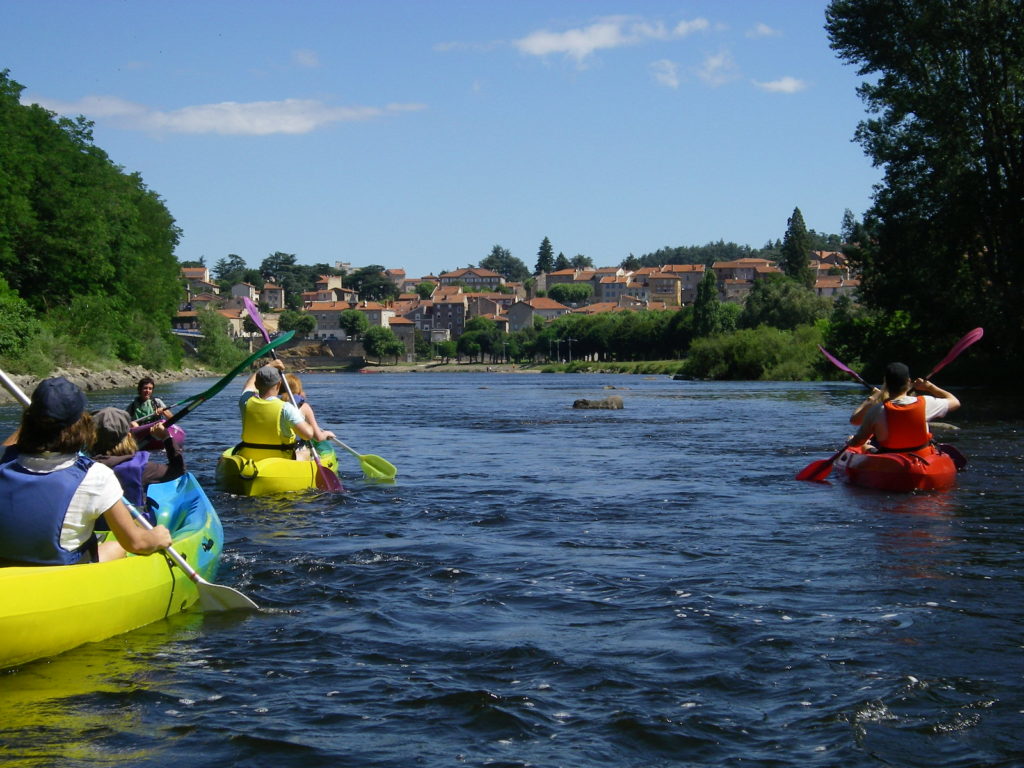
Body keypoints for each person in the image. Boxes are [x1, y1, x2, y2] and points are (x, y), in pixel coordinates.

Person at [0, 377, 172, 566]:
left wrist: (37, 415)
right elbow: (137, 544)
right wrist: (157, 536)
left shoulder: (4, 461)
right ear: (80, 425)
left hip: (7, 566)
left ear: (29, 421)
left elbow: (8, 447)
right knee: (116, 547)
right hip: (60, 570)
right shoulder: (96, 475)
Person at [90, 407, 186, 524]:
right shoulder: (141, 468)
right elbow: (178, 469)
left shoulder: (83, 466)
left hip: (96, 527)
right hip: (135, 527)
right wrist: (166, 438)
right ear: (129, 436)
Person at [847, 362, 960, 452]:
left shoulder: (876, 410)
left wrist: (851, 442)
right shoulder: (926, 402)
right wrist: (930, 387)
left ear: (886, 384)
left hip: (890, 458)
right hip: (920, 455)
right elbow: (955, 402)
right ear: (908, 382)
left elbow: (857, 440)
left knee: (864, 445)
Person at [233, 360, 332, 462]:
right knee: (306, 452)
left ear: (256, 384)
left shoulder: (245, 402)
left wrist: (269, 366)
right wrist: (308, 424)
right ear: (278, 385)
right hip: (280, 460)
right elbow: (308, 435)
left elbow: (248, 386)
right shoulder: (286, 408)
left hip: (250, 457)